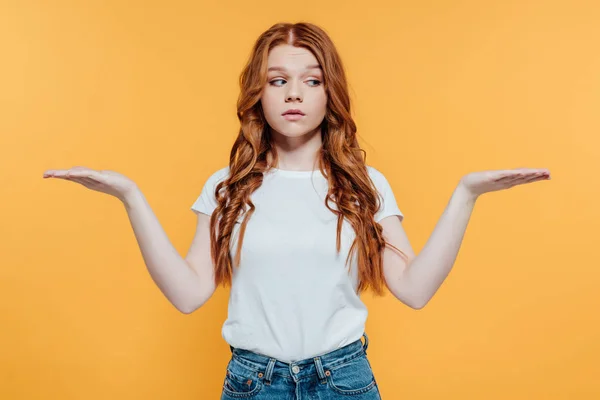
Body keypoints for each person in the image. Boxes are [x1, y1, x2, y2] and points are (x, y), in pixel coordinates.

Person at [43, 22, 550, 400]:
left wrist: (466, 194)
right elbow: (188, 293)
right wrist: (131, 196)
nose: (293, 94)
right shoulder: (227, 187)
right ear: (256, 94)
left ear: (331, 94)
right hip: (252, 383)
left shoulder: (363, 186)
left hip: (344, 380)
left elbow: (414, 290)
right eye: (277, 80)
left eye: (311, 80)